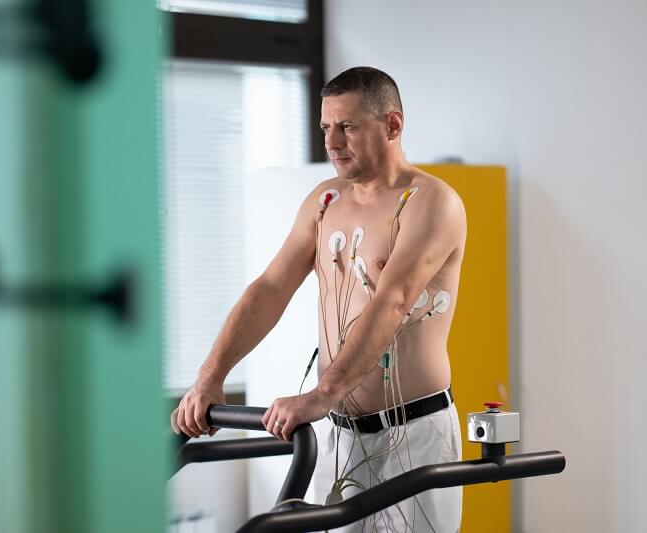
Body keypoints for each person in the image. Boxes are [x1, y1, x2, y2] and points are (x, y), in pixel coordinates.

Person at [171, 66, 466, 532]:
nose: (332, 142)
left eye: (347, 126)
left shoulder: (431, 202)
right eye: (326, 128)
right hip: (341, 436)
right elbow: (270, 289)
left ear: (392, 126)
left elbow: (392, 301)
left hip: (416, 433)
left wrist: (322, 395)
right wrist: (210, 376)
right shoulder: (324, 201)